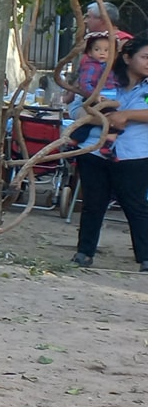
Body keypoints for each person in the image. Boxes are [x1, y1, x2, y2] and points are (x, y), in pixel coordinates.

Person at [71, 36, 148, 272]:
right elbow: (75, 109)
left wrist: (127, 115)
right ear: (127, 58)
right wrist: (101, 116)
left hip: (134, 153)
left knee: (135, 205)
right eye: (144, 57)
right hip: (95, 150)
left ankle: (145, 257)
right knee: (94, 203)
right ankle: (84, 252)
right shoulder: (100, 78)